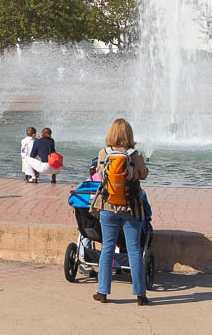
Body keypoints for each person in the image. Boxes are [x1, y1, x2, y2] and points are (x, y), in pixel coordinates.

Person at [91, 118, 149, 306]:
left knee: (107, 247)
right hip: (132, 207)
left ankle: (103, 292)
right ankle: (140, 294)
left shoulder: (103, 153)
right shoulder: (135, 154)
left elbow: (99, 175)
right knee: (134, 250)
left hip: (108, 206)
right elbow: (143, 174)